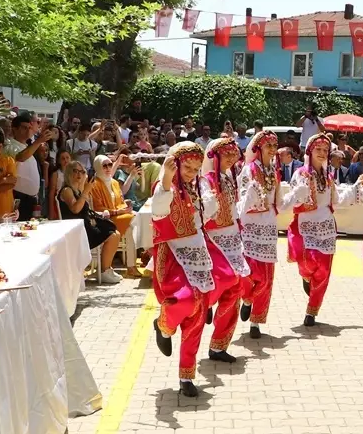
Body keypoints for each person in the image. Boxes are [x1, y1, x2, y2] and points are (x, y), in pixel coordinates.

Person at [150, 142, 215, 397]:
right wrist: (166, 176)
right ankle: (163, 325)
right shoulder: (166, 187)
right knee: (184, 301)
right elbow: (158, 210)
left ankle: (186, 375)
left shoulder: (196, 187)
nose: (191, 172)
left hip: (197, 251)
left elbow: (204, 218)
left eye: (196, 168)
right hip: (174, 254)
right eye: (186, 166)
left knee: (198, 316)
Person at [289, 133, 363, 327]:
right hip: (307, 226)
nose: (322, 153)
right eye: (318, 149)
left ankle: (312, 311)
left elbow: (337, 200)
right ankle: (305, 275)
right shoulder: (300, 174)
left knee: (324, 270)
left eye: (325, 150)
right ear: (309, 151)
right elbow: (295, 199)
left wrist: (357, 188)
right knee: (309, 261)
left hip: (326, 227)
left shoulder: (328, 177)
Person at [237, 131, 308, 339]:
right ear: (258, 148)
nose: (271, 149)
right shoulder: (247, 171)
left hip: (268, 229)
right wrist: (250, 197)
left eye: (273, 145)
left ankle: (256, 323)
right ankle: (247, 299)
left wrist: (295, 196)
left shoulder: (275, 173)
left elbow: (279, 205)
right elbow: (241, 203)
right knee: (249, 274)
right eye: (267, 145)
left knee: (266, 279)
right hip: (250, 228)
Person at [196, 138, 251, 360]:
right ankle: (206, 303)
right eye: (226, 154)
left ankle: (219, 345)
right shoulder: (205, 181)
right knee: (224, 279)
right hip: (213, 240)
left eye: (233, 154)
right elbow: (204, 211)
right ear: (214, 156)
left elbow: (234, 208)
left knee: (235, 289)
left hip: (232, 239)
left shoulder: (229, 179)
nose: (231, 158)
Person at [58, 160, 121, 283]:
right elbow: (76, 209)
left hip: (85, 226)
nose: (79, 174)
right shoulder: (67, 190)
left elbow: (86, 211)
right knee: (112, 236)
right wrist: (86, 191)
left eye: (82, 171)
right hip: (76, 230)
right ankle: (104, 271)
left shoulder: (78, 190)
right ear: (69, 173)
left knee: (114, 232)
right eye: (75, 171)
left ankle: (105, 269)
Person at [87, 155, 135, 275]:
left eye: (110, 165)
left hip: (118, 215)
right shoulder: (94, 184)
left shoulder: (114, 182)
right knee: (133, 223)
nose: (108, 168)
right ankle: (131, 265)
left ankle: (132, 265)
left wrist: (125, 206)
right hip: (103, 219)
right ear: (98, 167)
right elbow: (98, 209)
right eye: (104, 166)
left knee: (135, 220)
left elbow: (120, 202)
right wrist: (119, 211)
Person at [6, 112, 55, 220]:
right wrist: (39, 141)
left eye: (29, 127)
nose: (28, 130)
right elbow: (21, 157)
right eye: (24, 128)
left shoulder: (28, 147)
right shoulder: (10, 146)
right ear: (14, 129)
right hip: (18, 196)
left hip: (31, 198)